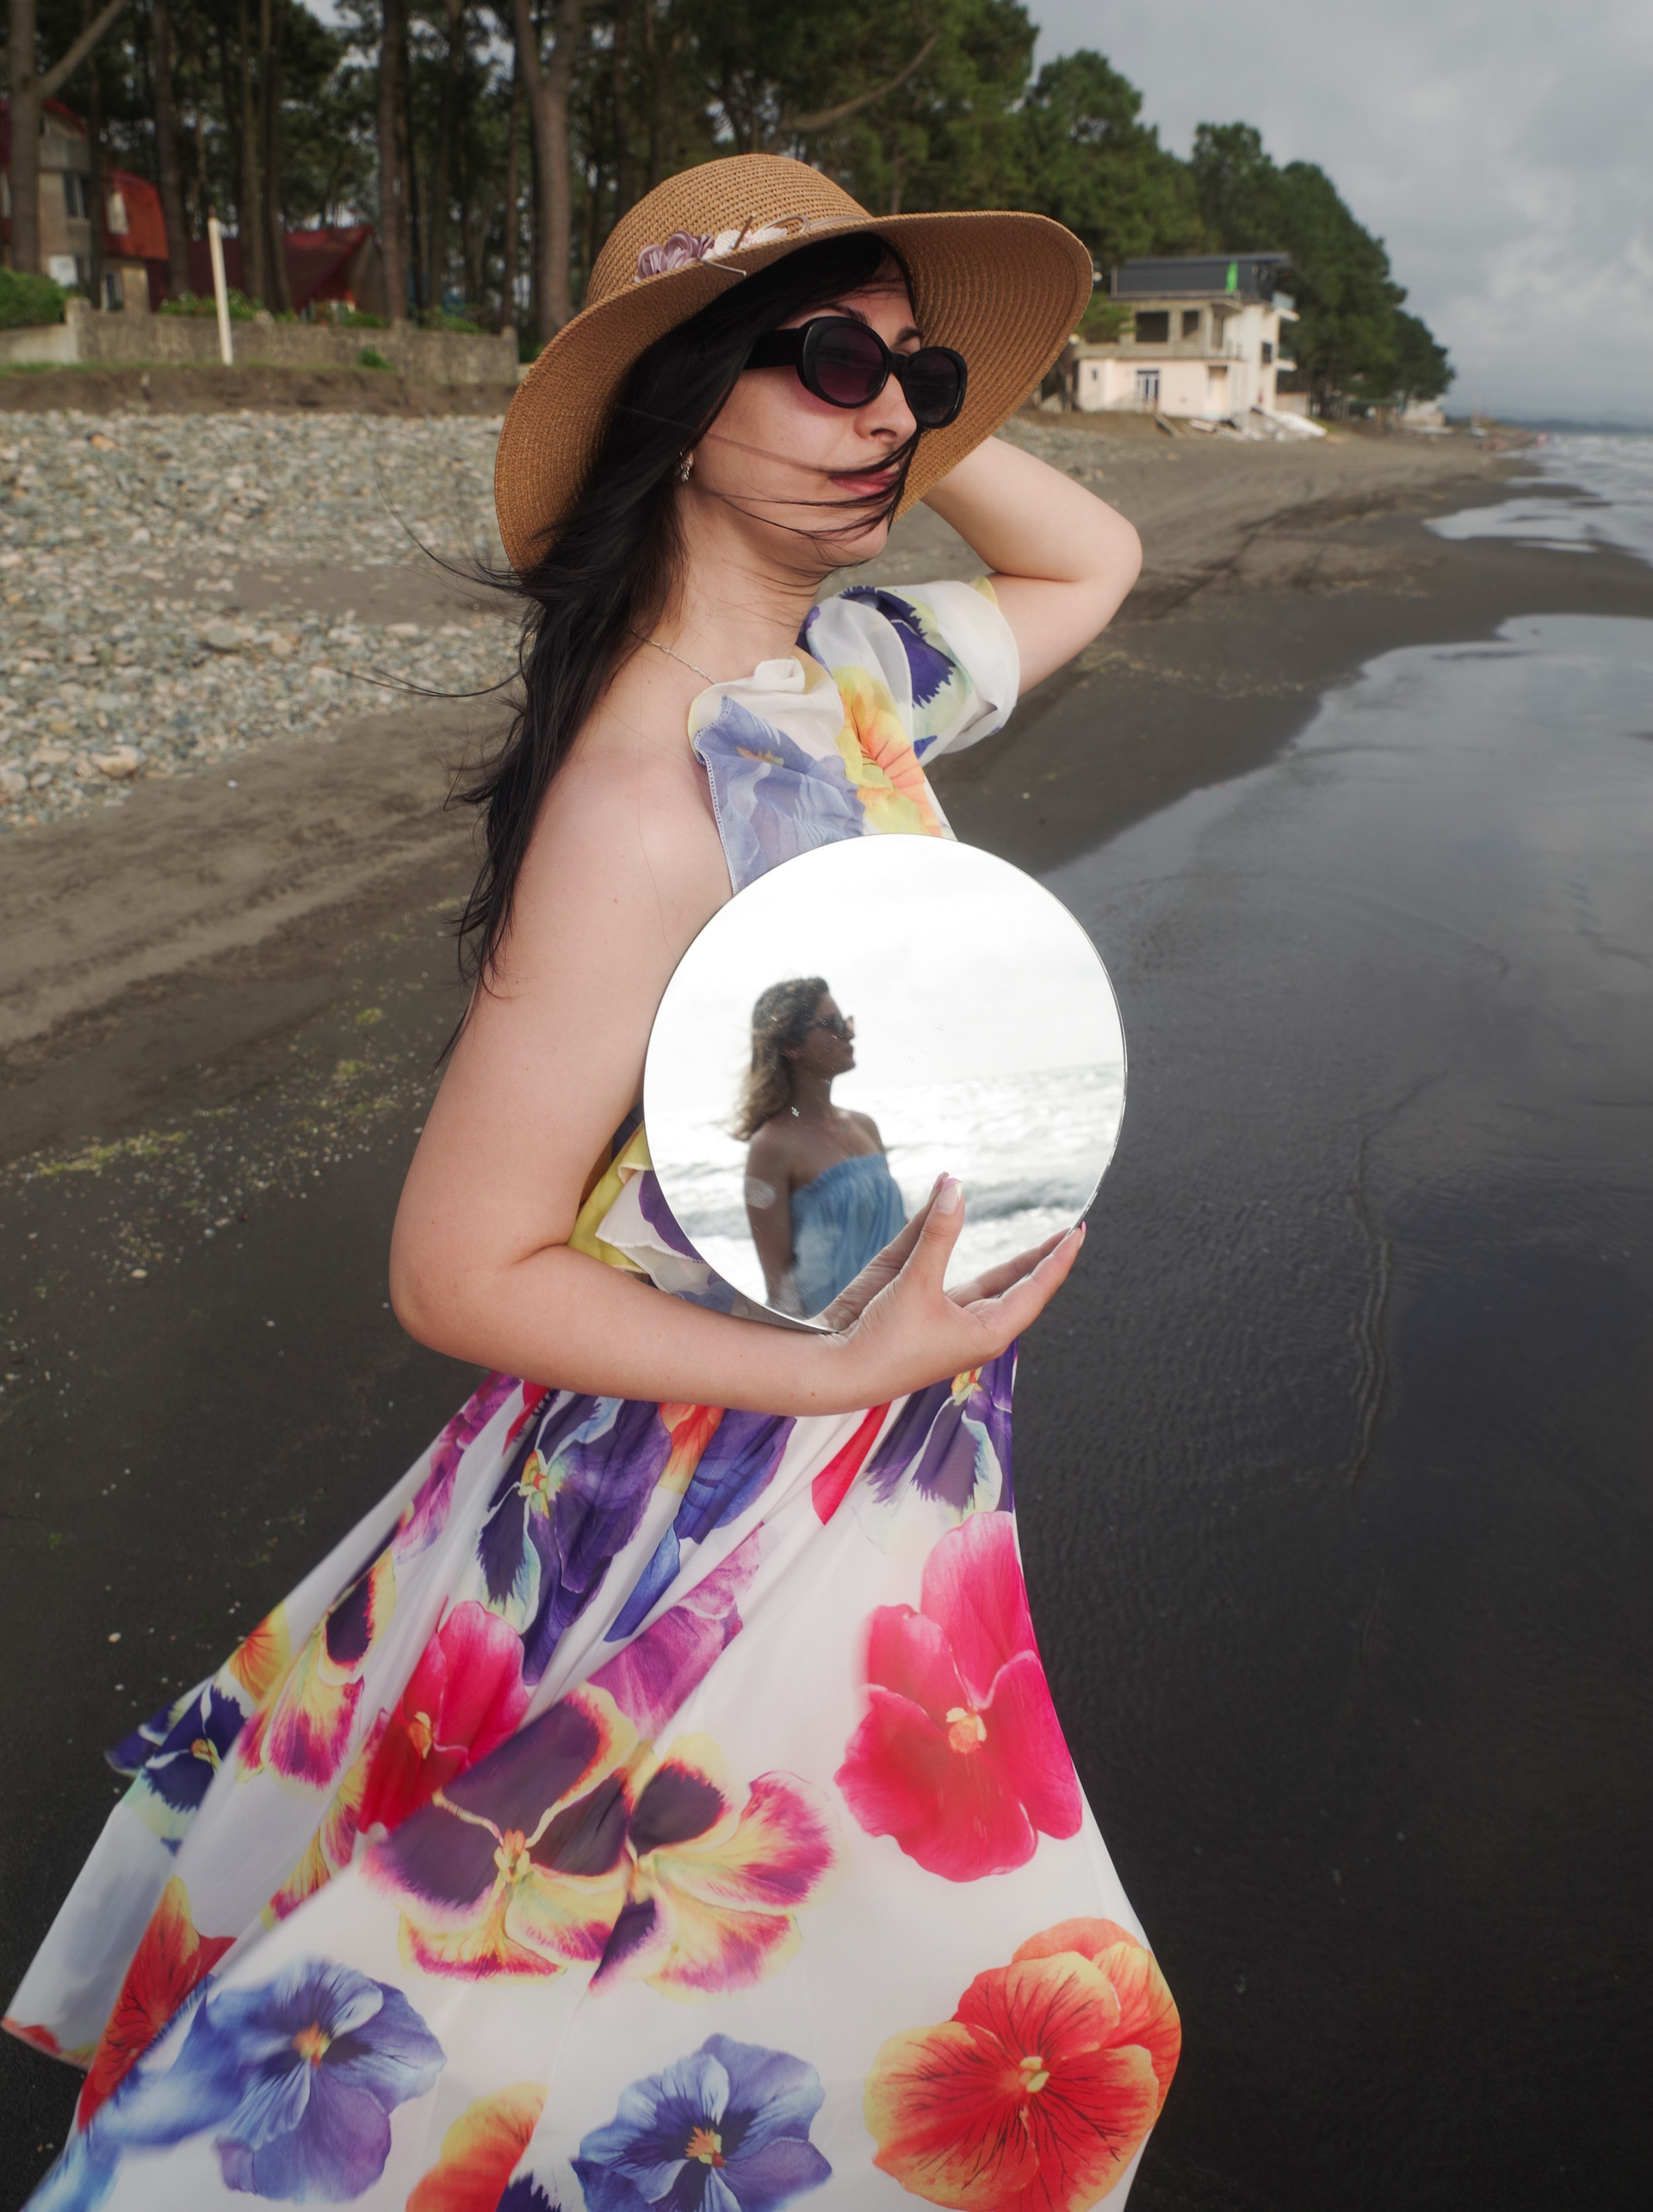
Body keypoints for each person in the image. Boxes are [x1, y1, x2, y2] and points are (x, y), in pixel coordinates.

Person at [7, 157, 1179, 2210]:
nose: (891, 416)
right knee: (986, 2038)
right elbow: (457, 1265)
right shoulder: (648, 795)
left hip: (858, 1453)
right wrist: (843, 1372)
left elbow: (1097, 558)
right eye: (826, 363)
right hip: (717, 1481)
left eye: (917, 375)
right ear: (677, 401)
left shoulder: (853, 670)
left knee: (692, 2015)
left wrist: (903, 398)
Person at [737, 977, 907, 1316]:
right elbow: (780, 1286)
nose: (849, 1033)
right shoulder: (770, 1147)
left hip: (899, 1317)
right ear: (791, 1046)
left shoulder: (865, 1126)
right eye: (833, 1025)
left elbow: (897, 1234)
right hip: (835, 1330)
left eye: (847, 1022)